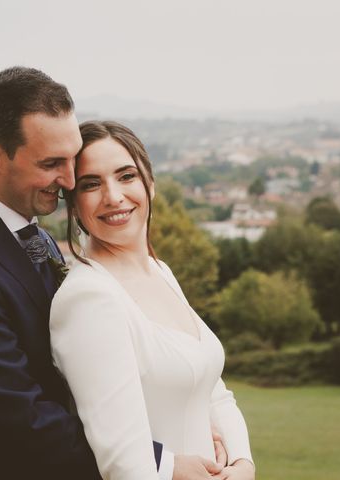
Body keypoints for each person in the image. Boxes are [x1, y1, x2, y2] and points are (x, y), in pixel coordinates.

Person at [0, 67, 225, 480]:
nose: (69, 180)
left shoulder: (33, 235)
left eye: (72, 160)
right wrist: (161, 462)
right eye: (52, 163)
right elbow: (21, 418)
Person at [50, 120, 255, 480]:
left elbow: (214, 391)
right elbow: (123, 460)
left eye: (126, 176)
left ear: (151, 184)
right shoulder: (89, 298)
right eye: (91, 184)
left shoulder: (161, 272)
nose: (113, 196)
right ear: (73, 204)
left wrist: (242, 464)